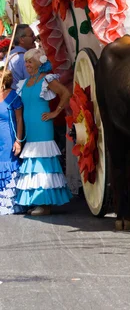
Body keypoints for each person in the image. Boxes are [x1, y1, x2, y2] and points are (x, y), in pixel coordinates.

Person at [15, 47, 72, 216]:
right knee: (33, 164)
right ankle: (39, 200)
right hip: (30, 129)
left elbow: (65, 93)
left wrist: (56, 112)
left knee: (43, 163)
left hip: (42, 127)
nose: (27, 65)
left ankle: (45, 203)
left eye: (30, 61)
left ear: (39, 63)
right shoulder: (24, 82)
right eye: (26, 61)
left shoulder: (47, 80)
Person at [0, 69, 24, 215]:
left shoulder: (13, 96)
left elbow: (20, 119)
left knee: (6, 165)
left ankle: (8, 202)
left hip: (8, 137)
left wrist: (18, 141)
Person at [9, 24, 36, 89]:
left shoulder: (10, 55)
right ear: (22, 40)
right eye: (31, 35)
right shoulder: (24, 58)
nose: (35, 37)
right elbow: (32, 85)